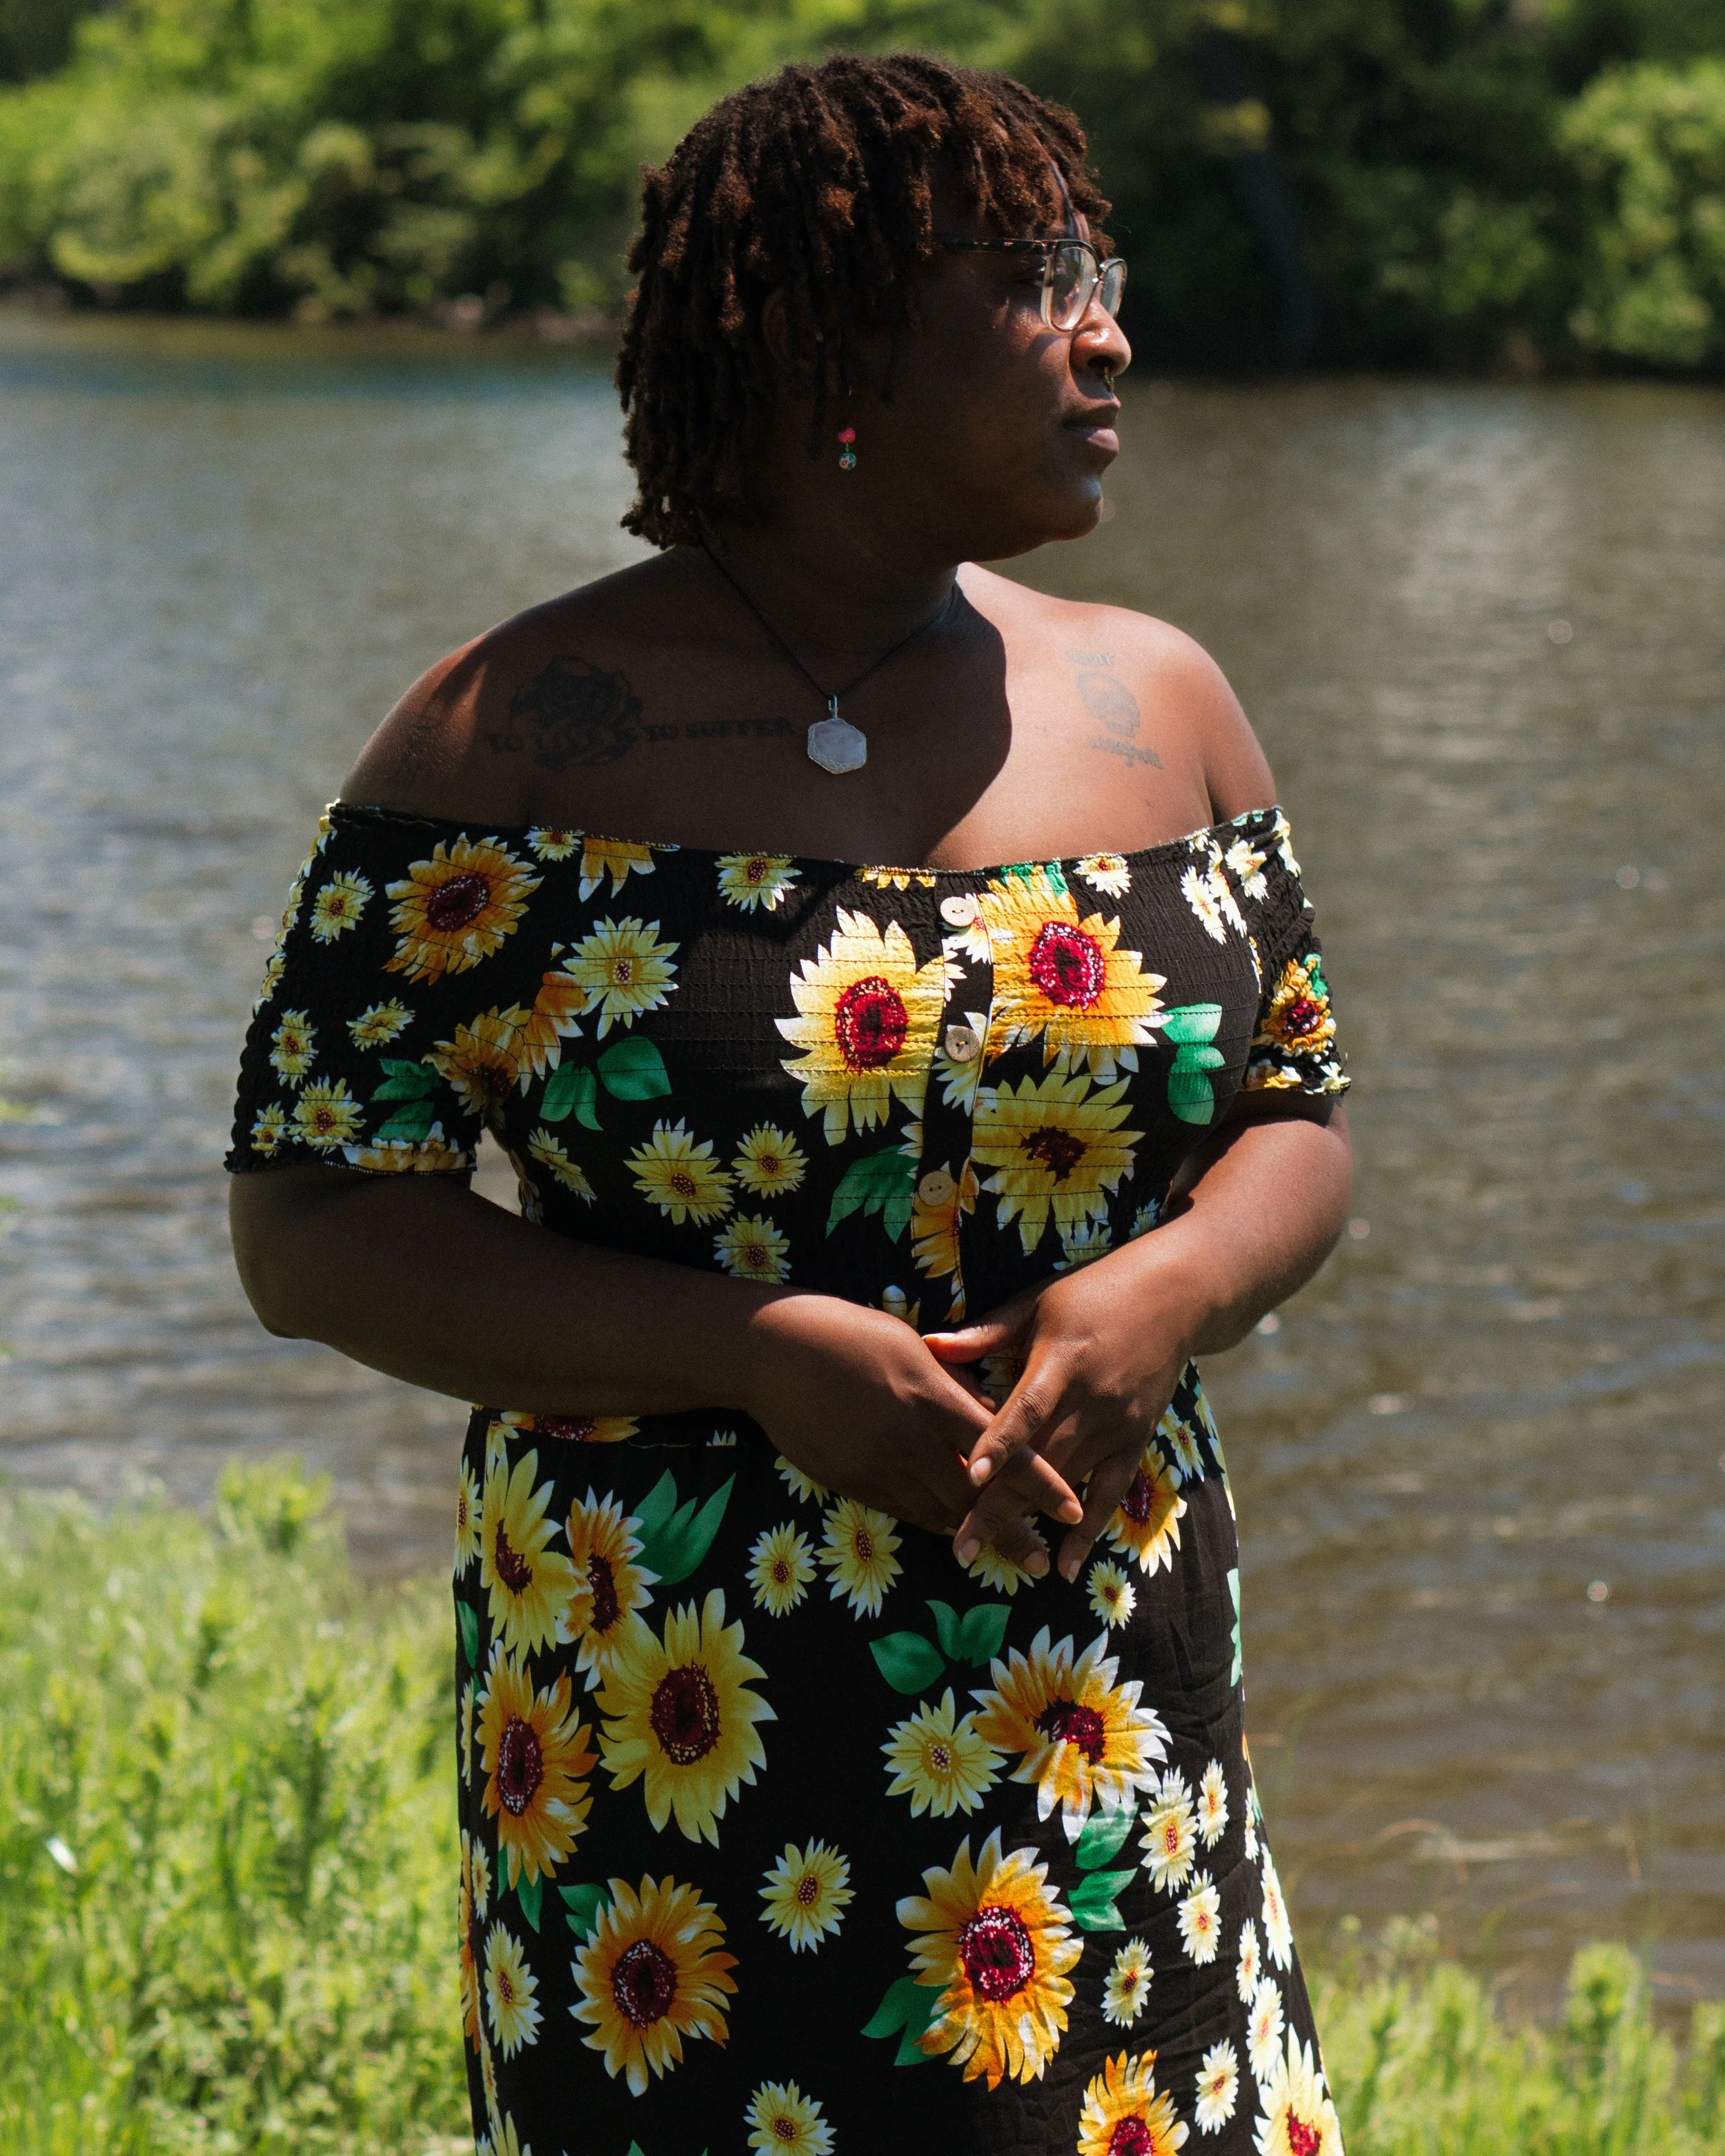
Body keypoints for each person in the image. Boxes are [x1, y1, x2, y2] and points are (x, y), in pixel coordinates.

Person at [228, 51, 1352, 2156]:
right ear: (828, 344)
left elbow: (1299, 1115)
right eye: (1032, 281)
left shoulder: (1157, 700)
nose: (1108, 328)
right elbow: (309, 1216)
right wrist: (747, 1354)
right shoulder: (509, 739)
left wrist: (1174, 1288)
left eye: (1094, 267)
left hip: (1093, 1677)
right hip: (678, 1743)